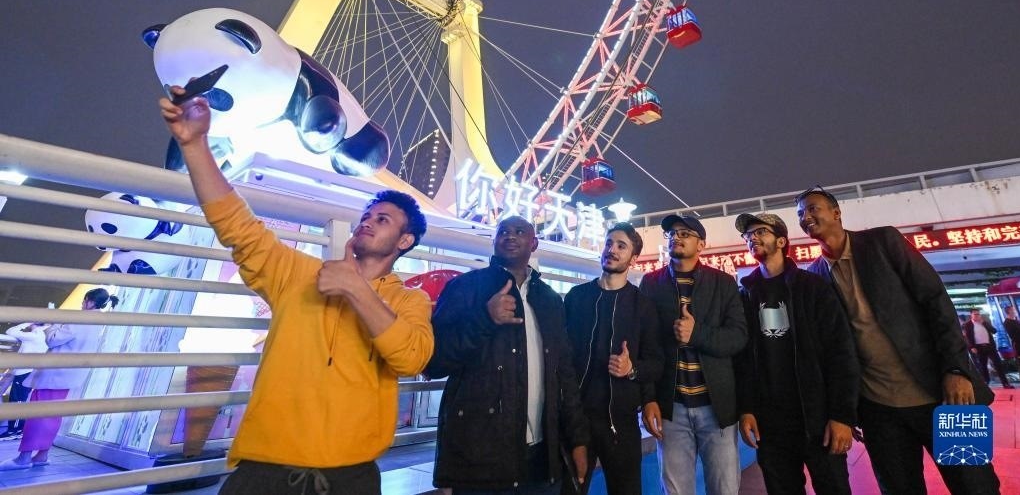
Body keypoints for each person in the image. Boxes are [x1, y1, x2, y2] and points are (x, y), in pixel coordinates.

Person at [158, 86, 433, 495]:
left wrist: (356, 289)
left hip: (350, 477)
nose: (368, 221)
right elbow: (237, 226)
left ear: (405, 241)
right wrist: (195, 144)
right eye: (367, 215)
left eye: (384, 220)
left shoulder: (411, 300)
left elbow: (411, 358)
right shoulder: (298, 274)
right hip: (263, 471)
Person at [797, 185, 1000, 495]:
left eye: (813, 208)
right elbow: (833, 350)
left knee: (976, 486)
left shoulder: (883, 241)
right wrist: (845, 411)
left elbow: (936, 301)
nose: (806, 217)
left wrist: (956, 369)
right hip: (879, 410)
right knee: (898, 489)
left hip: (944, 394)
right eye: (800, 214)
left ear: (836, 212)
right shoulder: (815, 276)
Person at [427, 215, 589, 494]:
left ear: (534, 244)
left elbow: (565, 374)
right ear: (494, 240)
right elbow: (435, 362)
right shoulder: (466, 287)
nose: (510, 236)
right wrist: (485, 318)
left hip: (543, 461)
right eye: (503, 231)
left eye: (519, 231)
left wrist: (577, 439)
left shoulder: (550, 300)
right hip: (480, 459)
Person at [733, 212, 859, 495]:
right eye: (748, 235)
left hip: (817, 419)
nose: (752, 238)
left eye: (760, 232)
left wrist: (842, 415)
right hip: (771, 426)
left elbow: (840, 352)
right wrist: (747, 409)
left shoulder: (812, 287)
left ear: (781, 241)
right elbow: (743, 361)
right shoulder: (746, 295)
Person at [639, 213, 747, 495]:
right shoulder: (651, 284)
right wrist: (648, 398)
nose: (676, 237)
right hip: (671, 409)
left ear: (701, 245)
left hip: (717, 408)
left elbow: (738, 337)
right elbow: (644, 345)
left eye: (685, 233)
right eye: (672, 233)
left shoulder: (723, 283)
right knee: (676, 491)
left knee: (724, 488)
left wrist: (696, 333)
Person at [563, 222, 663, 495]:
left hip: (621, 423)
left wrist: (631, 369)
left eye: (621, 246)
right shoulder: (576, 298)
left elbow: (656, 363)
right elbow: (561, 357)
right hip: (576, 420)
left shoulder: (643, 306)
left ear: (633, 258)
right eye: (609, 243)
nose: (612, 250)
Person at [0, 288, 118, 470]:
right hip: (68, 377)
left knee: (36, 415)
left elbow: (53, 339)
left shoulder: (79, 319)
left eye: (84, 300)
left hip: (53, 375)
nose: (82, 304)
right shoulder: (98, 323)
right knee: (52, 416)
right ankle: (42, 455)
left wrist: (54, 323)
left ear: (90, 301)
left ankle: (23, 458)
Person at [0, 322, 49, 440]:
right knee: (18, 400)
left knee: (18, 401)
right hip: (26, 372)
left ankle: (15, 430)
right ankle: (17, 429)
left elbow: (10, 331)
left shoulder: (36, 335)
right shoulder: (41, 335)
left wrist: (26, 323)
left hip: (24, 372)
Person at [964, 308, 1012, 389]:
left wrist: (984, 323)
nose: (977, 316)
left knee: (998, 364)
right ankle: (986, 383)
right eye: (975, 314)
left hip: (990, 346)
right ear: (971, 315)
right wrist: (972, 347)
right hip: (979, 348)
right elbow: (968, 337)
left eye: (978, 314)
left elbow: (994, 331)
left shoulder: (985, 322)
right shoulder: (968, 325)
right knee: (983, 366)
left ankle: (1005, 383)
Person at [1002, 304, 1020, 377]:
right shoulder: (1007, 322)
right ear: (1009, 311)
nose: (1015, 311)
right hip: (1019, 346)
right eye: (1014, 310)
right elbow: (1014, 336)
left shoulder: (1016, 321)